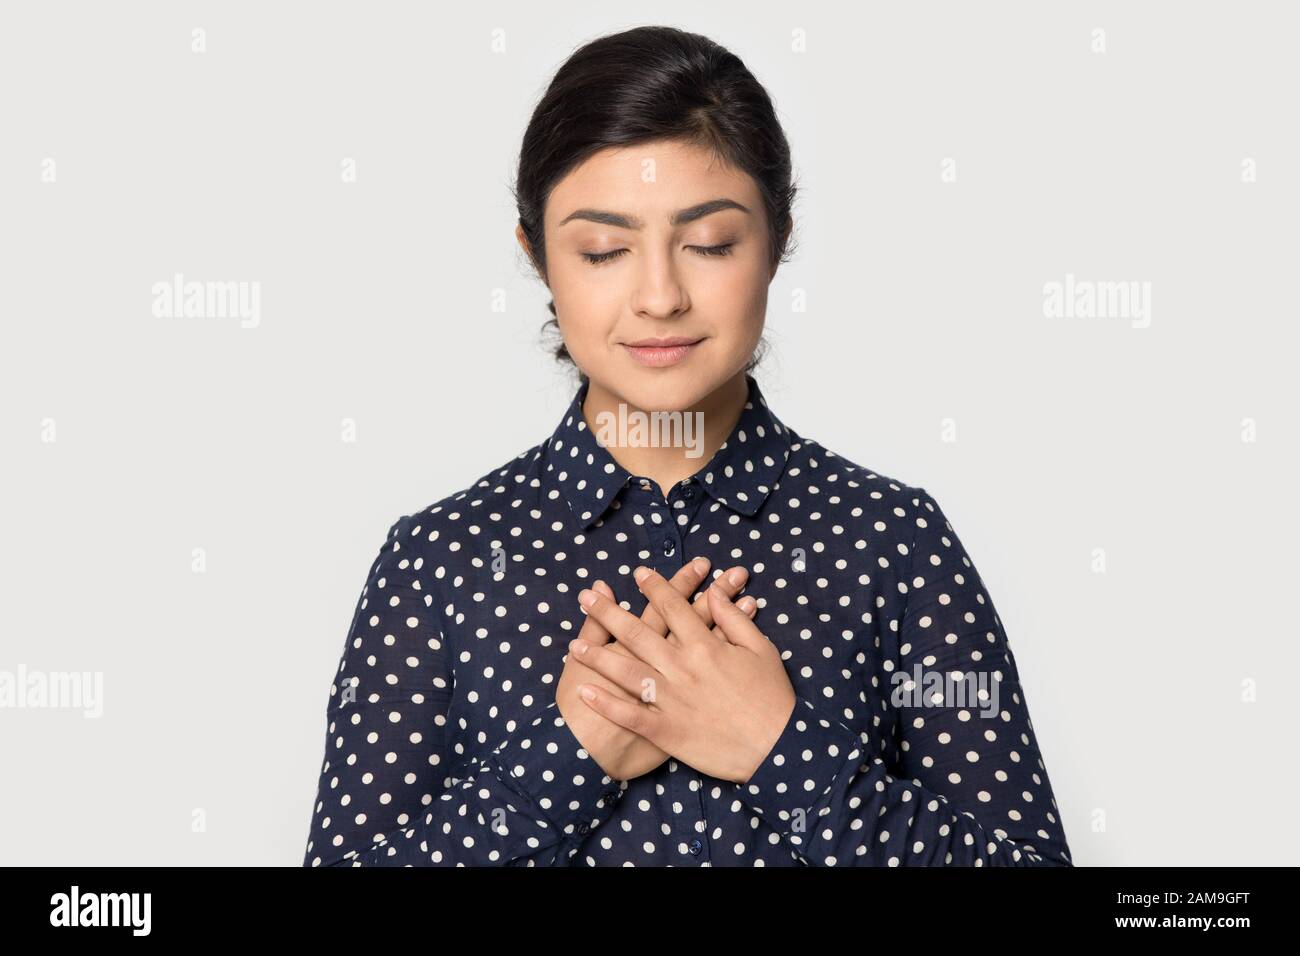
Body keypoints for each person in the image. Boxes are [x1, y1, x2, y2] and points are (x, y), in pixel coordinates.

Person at [301, 25, 1072, 867]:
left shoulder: (893, 541)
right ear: (539, 258)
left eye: (709, 244)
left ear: (776, 242)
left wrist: (784, 753)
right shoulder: (440, 561)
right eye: (603, 250)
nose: (661, 296)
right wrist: (567, 760)